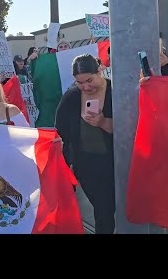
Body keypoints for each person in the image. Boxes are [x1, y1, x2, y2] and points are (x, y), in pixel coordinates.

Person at [54, 54, 115, 234]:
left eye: (89, 80)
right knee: (102, 207)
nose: (86, 87)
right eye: (80, 82)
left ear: (100, 71)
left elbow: (132, 126)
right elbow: (60, 130)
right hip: (85, 164)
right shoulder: (72, 96)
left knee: (106, 209)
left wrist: (104, 123)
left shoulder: (116, 91)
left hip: (114, 161)